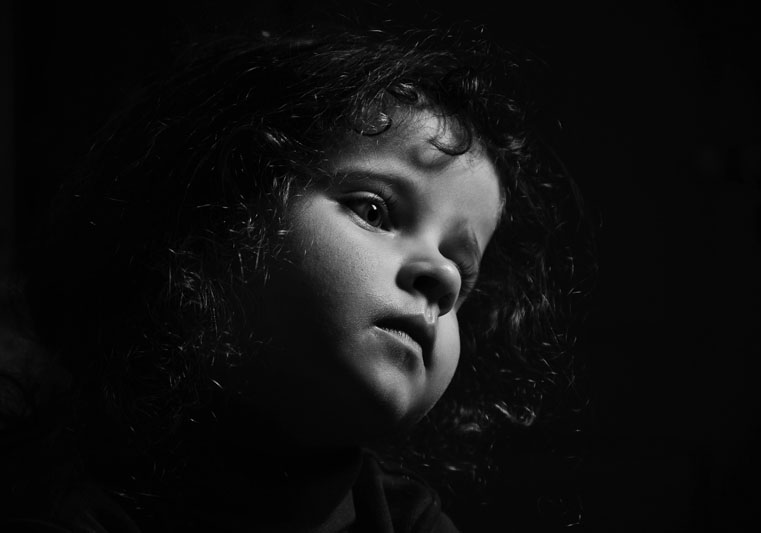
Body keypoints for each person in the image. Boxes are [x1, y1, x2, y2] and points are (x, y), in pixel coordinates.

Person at [1, 25, 586, 532]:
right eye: (374, 211)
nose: (443, 278)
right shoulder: (61, 492)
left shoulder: (408, 518)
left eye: (461, 267)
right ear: (216, 217)